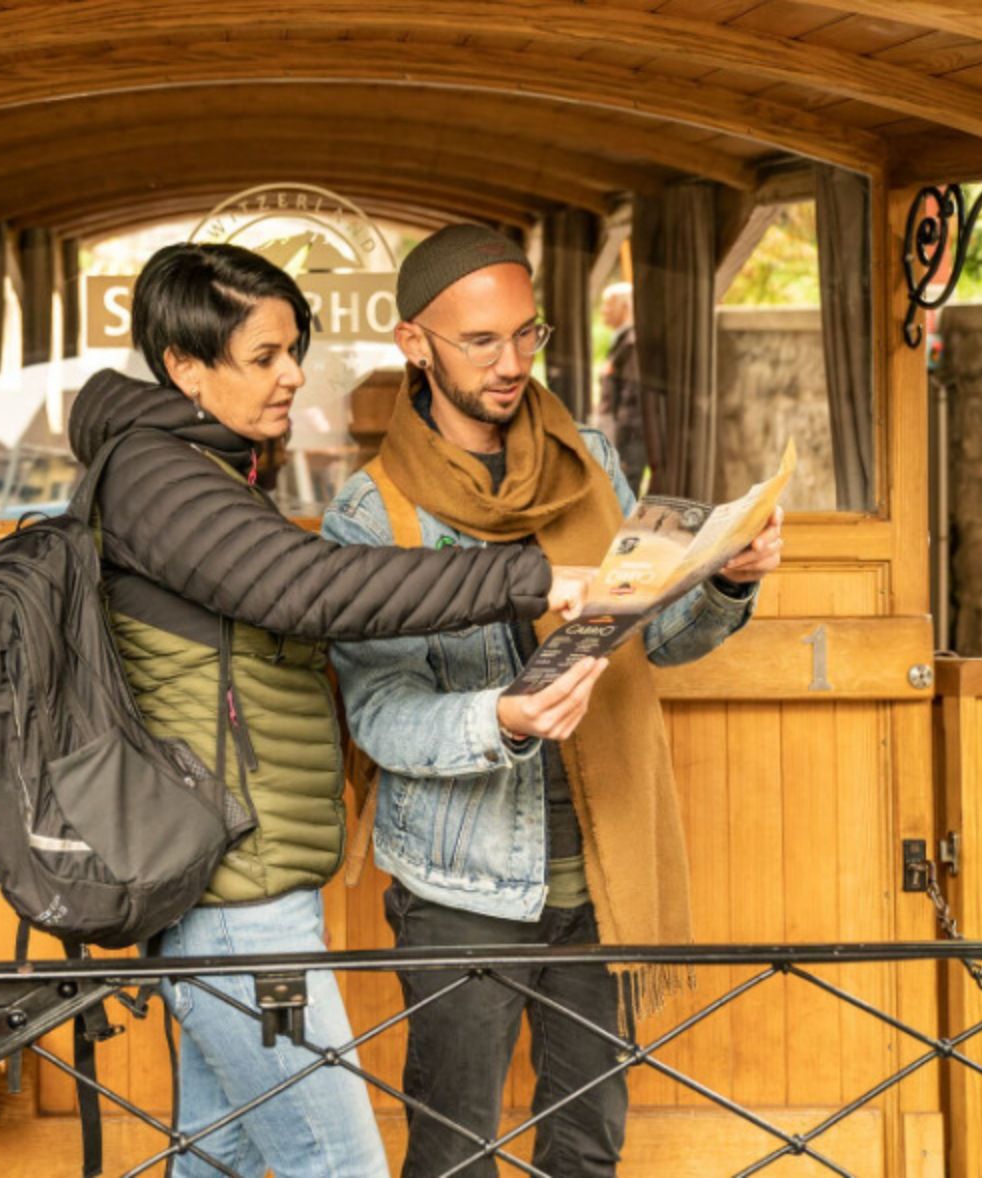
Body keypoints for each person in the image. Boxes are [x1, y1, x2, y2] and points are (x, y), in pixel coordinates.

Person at [68, 241, 585, 1178]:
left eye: (291, 349)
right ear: (185, 366)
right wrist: (532, 574)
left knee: (215, 1161)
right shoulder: (156, 474)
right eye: (263, 356)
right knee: (335, 1166)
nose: (293, 374)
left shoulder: (207, 467)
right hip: (236, 900)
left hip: (244, 884)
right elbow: (309, 587)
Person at [322, 225, 782, 1177]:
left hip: (605, 872)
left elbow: (651, 638)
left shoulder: (591, 461)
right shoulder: (372, 516)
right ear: (415, 344)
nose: (511, 364)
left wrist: (726, 582)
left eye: (527, 336)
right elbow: (379, 712)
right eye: (480, 342)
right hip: (460, 893)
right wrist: (500, 721)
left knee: (587, 1148)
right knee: (454, 1155)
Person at [594, 281, 649, 489]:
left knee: (624, 489)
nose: (603, 311)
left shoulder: (633, 344)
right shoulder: (620, 341)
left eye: (608, 304)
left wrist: (619, 442)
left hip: (628, 438)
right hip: (617, 434)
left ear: (625, 307)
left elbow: (632, 396)